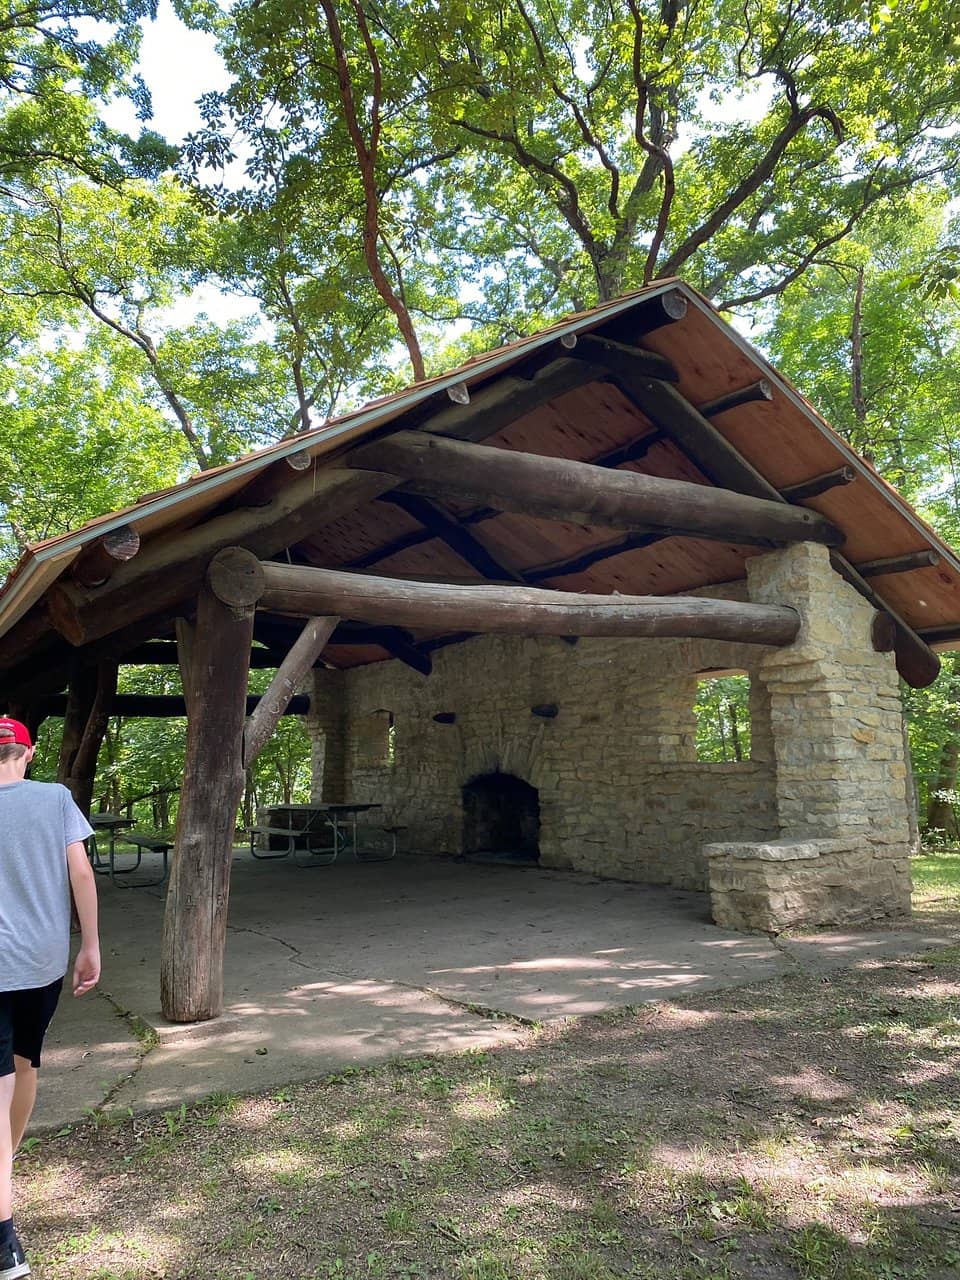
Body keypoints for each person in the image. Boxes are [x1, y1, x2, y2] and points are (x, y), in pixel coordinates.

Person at [0, 717, 99, 1280]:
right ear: (29, 752)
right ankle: (5, 1173)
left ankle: (4, 1235)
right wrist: (91, 945)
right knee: (24, 1062)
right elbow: (81, 874)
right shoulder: (56, 798)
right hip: (42, 962)